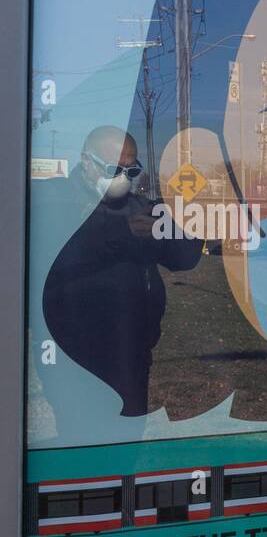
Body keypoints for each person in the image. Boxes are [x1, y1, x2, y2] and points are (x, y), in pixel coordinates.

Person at [38, 126, 202, 417]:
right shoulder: (53, 196)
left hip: (130, 353)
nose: (123, 178)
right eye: (114, 168)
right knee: (81, 438)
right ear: (86, 161)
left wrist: (191, 224)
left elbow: (183, 259)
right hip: (72, 356)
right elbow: (60, 249)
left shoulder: (137, 206)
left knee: (128, 441)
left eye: (132, 170)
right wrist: (122, 232)